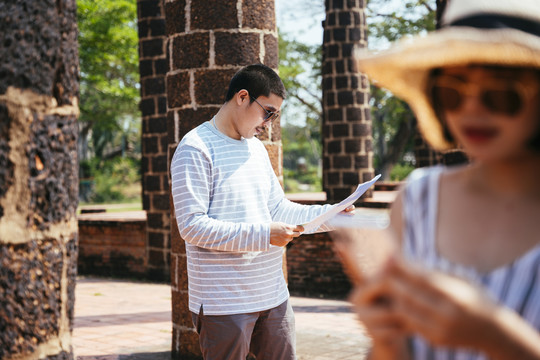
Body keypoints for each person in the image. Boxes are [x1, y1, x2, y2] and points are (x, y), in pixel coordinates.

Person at [340, 0, 540, 359]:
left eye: (499, 93)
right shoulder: (419, 198)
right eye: (452, 91)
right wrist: (386, 339)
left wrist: (497, 337)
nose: (472, 109)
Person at [170, 64, 353, 360]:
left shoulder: (255, 148)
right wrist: (265, 234)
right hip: (224, 303)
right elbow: (192, 227)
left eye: (275, 115)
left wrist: (333, 215)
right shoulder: (195, 148)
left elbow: (279, 209)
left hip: (273, 297)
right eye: (268, 112)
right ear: (242, 97)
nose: (269, 123)